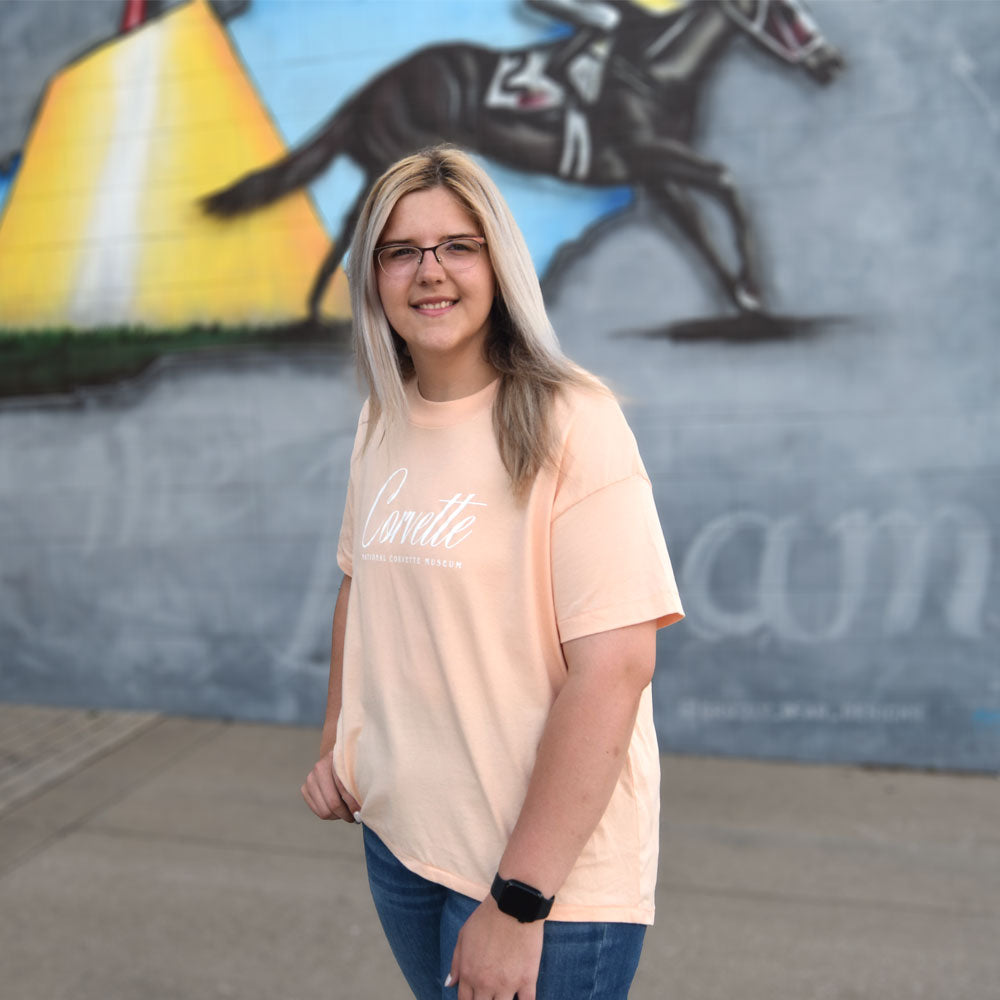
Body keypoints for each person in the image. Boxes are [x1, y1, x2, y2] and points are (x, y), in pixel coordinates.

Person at [300, 145, 683, 1000]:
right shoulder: (383, 417)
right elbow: (360, 584)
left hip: (545, 885)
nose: (428, 273)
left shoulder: (573, 422)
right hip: (404, 845)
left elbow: (616, 670)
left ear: (498, 261)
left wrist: (517, 903)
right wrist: (339, 736)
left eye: (456, 246)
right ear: (374, 277)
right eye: (401, 251)